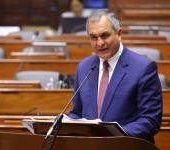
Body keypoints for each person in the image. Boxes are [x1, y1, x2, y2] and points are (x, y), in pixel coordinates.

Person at [68, 9, 162, 143]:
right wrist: (65, 124)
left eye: (105, 35)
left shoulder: (143, 68)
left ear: (119, 34)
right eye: (93, 37)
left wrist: (114, 135)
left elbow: (150, 120)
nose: (99, 43)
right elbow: (77, 112)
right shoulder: (84, 67)